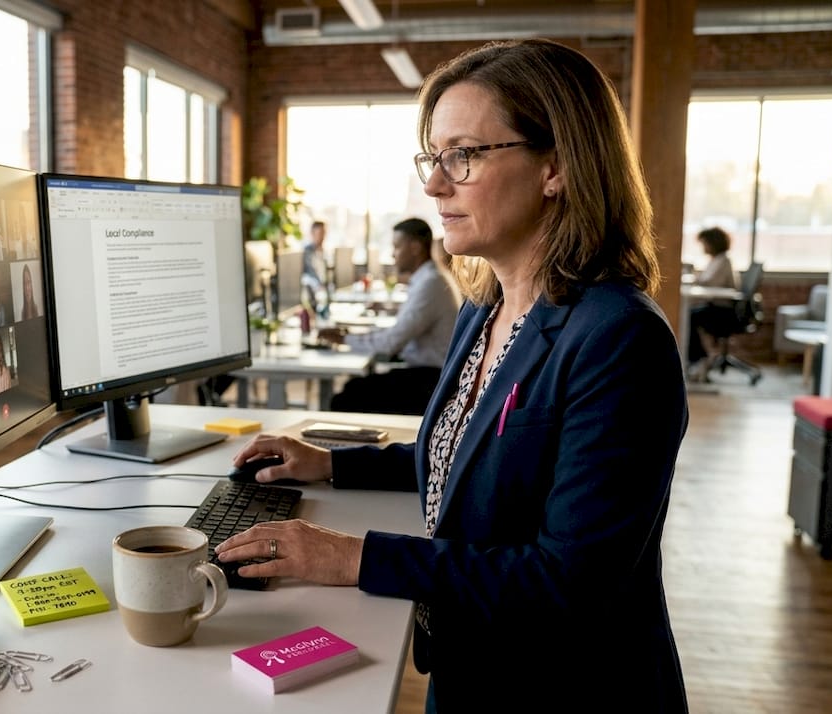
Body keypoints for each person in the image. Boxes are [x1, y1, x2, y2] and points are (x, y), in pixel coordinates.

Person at [214, 39, 688, 713]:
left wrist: (355, 558)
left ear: (555, 165)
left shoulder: (618, 338)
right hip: (473, 667)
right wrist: (331, 465)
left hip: (564, 687)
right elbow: (468, 461)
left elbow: (569, 581)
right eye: (433, 158)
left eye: (462, 156)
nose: (435, 184)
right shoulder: (485, 308)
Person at [318, 217, 461, 415]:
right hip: (428, 374)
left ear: (415, 247)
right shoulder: (428, 278)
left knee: (347, 397)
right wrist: (351, 334)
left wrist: (345, 338)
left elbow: (392, 342)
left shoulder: (431, 283)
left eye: (396, 247)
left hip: (429, 380)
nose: (393, 255)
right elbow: (399, 331)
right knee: (354, 387)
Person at [686, 226, 739, 382]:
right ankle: (697, 359)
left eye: (705, 243)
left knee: (689, 317)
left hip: (724, 311)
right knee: (689, 314)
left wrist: (693, 278)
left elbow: (709, 282)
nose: (704, 247)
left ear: (713, 243)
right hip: (715, 307)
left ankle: (699, 359)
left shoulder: (724, 261)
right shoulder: (716, 260)